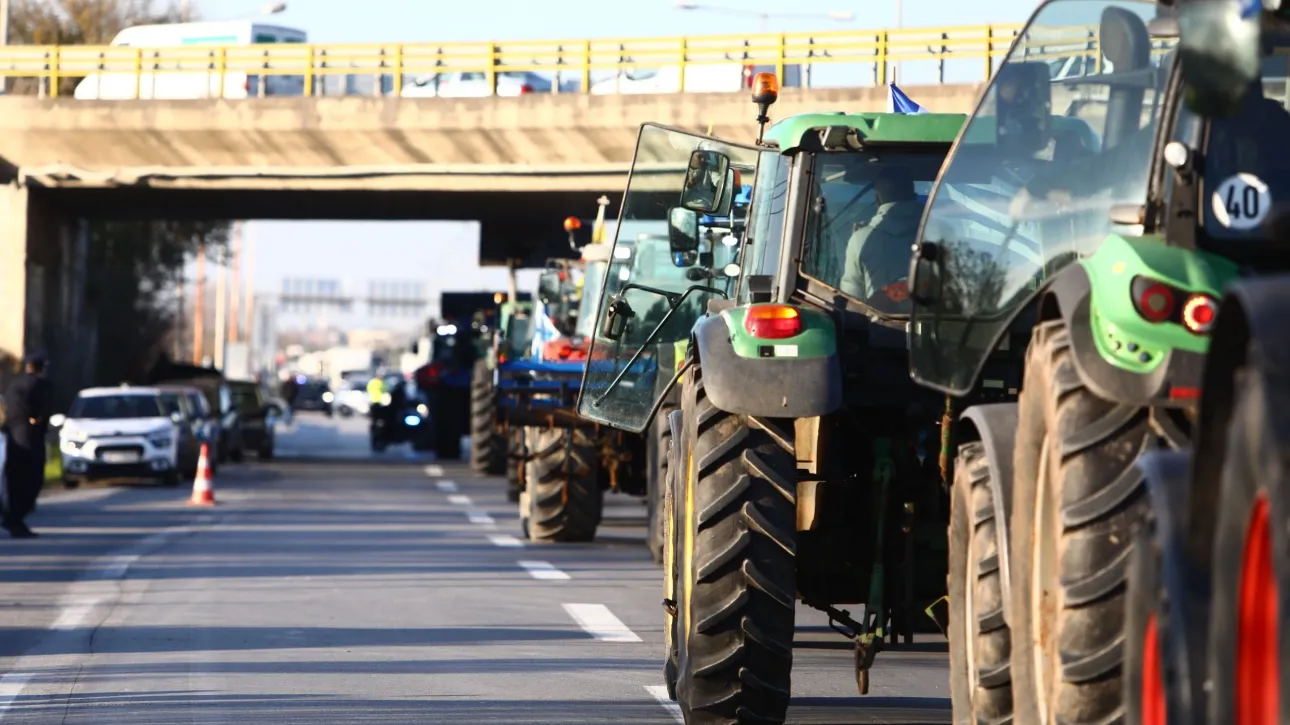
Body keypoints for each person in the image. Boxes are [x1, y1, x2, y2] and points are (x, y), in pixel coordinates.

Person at [839, 166, 925, 305]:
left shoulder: (862, 240)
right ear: (914, 195)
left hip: (879, 325)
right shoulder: (944, 232)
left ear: (877, 199)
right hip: (942, 324)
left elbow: (851, 301)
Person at [3, 353, 53, 539]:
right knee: (33, 480)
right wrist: (36, 417)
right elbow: (41, 409)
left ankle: (15, 520)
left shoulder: (13, 385)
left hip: (13, 438)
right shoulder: (40, 385)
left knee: (15, 481)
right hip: (31, 438)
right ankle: (15, 519)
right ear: (41, 368)